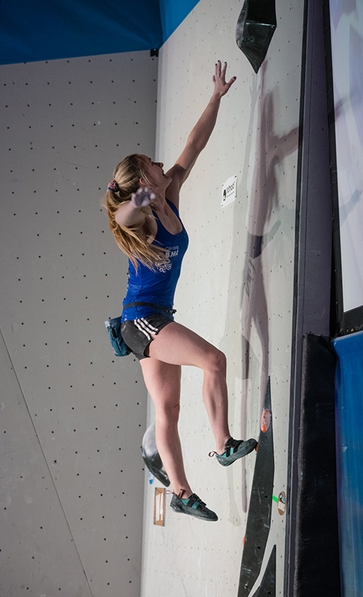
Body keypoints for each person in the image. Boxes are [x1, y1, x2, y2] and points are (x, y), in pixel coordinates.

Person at [104, 62, 257, 522]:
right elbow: (122, 218)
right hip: (142, 319)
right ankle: (223, 444)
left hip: (149, 320)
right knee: (214, 361)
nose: (161, 162)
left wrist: (215, 97)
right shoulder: (146, 214)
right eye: (153, 164)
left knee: (167, 407)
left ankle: (180, 492)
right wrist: (142, 198)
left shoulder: (171, 190)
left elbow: (195, 144)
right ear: (143, 181)